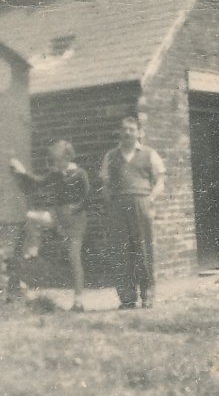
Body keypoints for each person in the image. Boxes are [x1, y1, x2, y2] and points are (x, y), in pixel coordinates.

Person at [10, 139, 90, 312]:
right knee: (31, 217)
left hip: (75, 221)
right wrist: (22, 172)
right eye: (53, 161)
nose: (55, 164)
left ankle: (78, 301)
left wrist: (74, 208)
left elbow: (87, 198)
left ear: (68, 157)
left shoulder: (80, 174)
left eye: (58, 160)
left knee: (74, 257)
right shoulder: (55, 174)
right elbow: (37, 183)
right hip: (57, 215)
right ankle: (33, 248)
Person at [99, 116, 166, 309]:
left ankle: (147, 295)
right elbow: (105, 183)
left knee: (144, 249)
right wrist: (110, 203)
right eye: (124, 129)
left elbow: (160, 180)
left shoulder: (149, 153)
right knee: (121, 251)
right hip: (118, 205)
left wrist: (150, 199)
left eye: (131, 129)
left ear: (138, 132)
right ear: (119, 133)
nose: (127, 132)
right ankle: (127, 297)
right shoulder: (111, 156)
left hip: (141, 203)